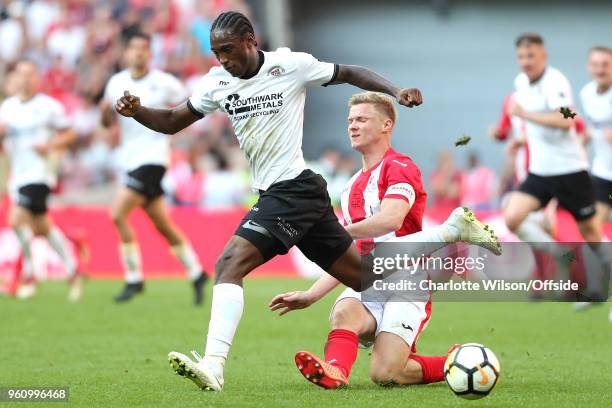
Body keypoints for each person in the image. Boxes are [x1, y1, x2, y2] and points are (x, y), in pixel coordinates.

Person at [114, 11, 492, 392]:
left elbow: (349, 72)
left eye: (228, 50)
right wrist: (138, 111)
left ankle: (213, 364)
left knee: (229, 264)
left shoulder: (289, 65)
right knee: (364, 278)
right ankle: (451, 232)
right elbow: (172, 121)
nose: (223, 59)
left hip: (291, 189)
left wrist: (395, 91)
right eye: (216, 52)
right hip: (294, 195)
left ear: (250, 41)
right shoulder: (216, 84)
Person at [269, 92, 500, 389]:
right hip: (369, 278)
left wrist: (337, 232)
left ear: (386, 125)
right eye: (350, 120)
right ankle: (336, 370)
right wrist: (312, 294)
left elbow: (391, 219)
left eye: (362, 119)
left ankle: (454, 361)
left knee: (387, 375)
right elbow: (348, 252)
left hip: (408, 282)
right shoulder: (351, 185)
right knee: (344, 312)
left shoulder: (400, 166)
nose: (352, 126)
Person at [101, 32, 208, 304]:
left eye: (143, 49)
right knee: (163, 225)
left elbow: (191, 107)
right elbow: (106, 121)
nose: (138, 53)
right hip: (130, 160)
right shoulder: (116, 82)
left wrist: (185, 141)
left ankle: (134, 278)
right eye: (133, 48)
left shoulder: (165, 83)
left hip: (154, 159)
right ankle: (196, 272)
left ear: (150, 54)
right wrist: (105, 112)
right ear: (126, 53)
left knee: (117, 214)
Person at [503, 33, 610, 300]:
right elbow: (541, 127)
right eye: (521, 56)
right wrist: (522, 138)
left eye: (531, 56)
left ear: (544, 56)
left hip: (570, 170)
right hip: (540, 171)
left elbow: (567, 120)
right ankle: (561, 255)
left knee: (591, 232)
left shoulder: (555, 82)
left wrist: (525, 115)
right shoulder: (520, 83)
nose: (526, 62)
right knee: (512, 216)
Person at [0, 60, 82, 301]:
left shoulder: (49, 107)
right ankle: (73, 269)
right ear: (15, 78)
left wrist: (50, 145)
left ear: (37, 78)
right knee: (42, 227)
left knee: (15, 219)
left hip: (40, 174)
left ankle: (28, 274)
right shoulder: (7, 108)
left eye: (30, 74)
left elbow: (70, 134)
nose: (25, 79)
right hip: (18, 175)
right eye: (21, 74)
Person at [578, 45, 612, 314]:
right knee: (592, 230)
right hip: (602, 174)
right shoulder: (587, 94)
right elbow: (588, 126)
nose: (601, 69)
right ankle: (597, 291)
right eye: (596, 64)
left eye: (606, 64)